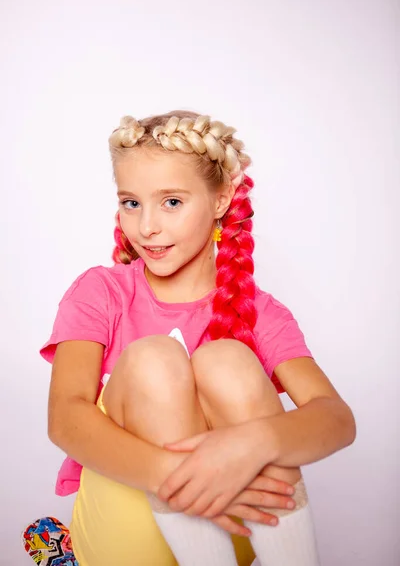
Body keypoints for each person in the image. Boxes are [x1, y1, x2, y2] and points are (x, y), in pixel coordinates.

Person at [41, 110, 356, 566]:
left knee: (226, 359)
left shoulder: (262, 313)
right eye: (132, 203)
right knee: (155, 360)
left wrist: (252, 443)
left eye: (171, 202)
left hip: (239, 527)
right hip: (125, 540)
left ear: (222, 198)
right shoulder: (102, 292)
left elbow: (336, 419)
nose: (147, 225)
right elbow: (65, 419)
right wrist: (179, 474)